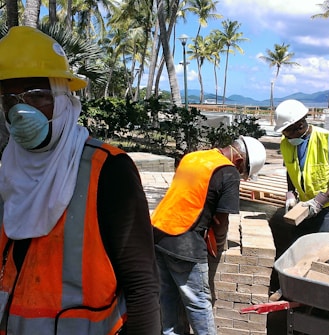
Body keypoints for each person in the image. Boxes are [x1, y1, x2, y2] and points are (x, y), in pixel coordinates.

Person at [0, 26, 161, 334]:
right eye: (9, 98)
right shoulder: (8, 171)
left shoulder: (107, 170)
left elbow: (141, 284)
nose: (20, 110)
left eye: (36, 95)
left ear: (62, 99)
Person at [151, 136, 266, 335]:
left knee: (168, 297)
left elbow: (187, 197)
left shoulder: (193, 157)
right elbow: (221, 221)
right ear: (239, 161)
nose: (240, 175)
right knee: (198, 303)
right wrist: (218, 246)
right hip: (183, 241)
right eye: (243, 171)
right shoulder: (228, 172)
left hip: (158, 232)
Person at [274, 99, 329, 238]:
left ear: (300, 125)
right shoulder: (286, 143)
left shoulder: (328, 140)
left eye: (287, 132)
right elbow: (291, 169)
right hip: (305, 205)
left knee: (328, 247)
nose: (285, 136)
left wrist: (321, 199)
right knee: (302, 245)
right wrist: (291, 192)